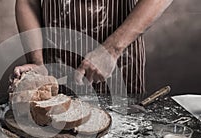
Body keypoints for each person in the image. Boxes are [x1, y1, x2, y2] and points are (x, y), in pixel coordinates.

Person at [13, 0, 174, 94]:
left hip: (118, 62)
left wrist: (111, 49)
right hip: (54, 68)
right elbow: (28, 1)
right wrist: (38, 63)